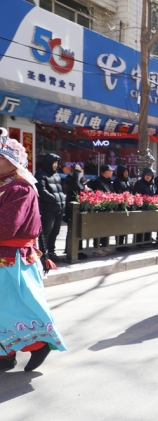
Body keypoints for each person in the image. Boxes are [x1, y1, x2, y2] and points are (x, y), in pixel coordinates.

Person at [0, 128, 66, 371]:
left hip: (12, 260)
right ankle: (5, 353)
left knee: (15, 306)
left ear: (13, 161)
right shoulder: (6, 185)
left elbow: (6, 227)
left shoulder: (19, 188)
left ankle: (39, 344)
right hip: (6, 258)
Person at [34, 153, 66, 262]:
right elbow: (41, 191)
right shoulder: (40, 174)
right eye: (54, 163)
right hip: (48, 209)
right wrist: (54, 199)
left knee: (55, 232)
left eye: (57, 163)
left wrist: (62, 199)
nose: (56, 165)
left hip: (58, 209)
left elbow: (61, 189)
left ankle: (51, 252)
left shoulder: (56, 175)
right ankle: (43, 255)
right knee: (45, 233)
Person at [63, 164, 90, 260]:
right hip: (72, 208)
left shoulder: (82, 180)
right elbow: (74, 186)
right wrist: (77, 175)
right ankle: (71, 249)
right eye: (78, 170)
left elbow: (84, 189)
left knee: (79, 229)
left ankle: (79, 250)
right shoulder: (69, 179)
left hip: (81, 208)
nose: (80, 172)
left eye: (81, 170)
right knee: (72, 230)